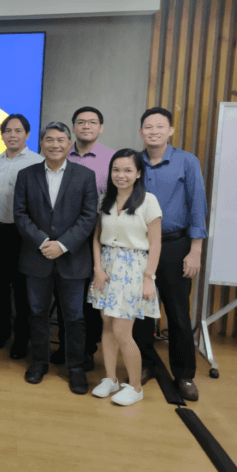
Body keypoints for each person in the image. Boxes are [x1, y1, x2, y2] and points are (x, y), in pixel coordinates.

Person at [13, 121, 98, 395]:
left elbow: (88, 217)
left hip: (72, 259)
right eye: (49, 140)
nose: (55, 145)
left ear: (69, 144)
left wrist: (62, 244)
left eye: (61, 140)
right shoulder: (26, 175)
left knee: (74, 317)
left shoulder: (85, 176)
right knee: (36, 313)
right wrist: (42, 242)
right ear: (41, 144)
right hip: (36, 258)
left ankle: (75, 367)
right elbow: (20, 215)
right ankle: (39, 362)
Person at [133, 107, 207, 401]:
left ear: (171, 131)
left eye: (159, 126)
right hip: (140, 247)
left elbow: (198, 205)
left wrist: (196, 250)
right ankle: (145, 365)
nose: (153, 131)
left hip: (176, 246)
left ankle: (184, 375)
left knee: (177, 312)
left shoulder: (186, 162)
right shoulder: (133, 161)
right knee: (142, 312)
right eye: (148, 127)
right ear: (140, 132)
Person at [87, 149, 162, 406]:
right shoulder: (104, 199)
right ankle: (110, 379)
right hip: (106, 265)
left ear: (139, 173)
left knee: (122, 329)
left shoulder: (148, 201)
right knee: (106, 323)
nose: (121, 175)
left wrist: (149, 277)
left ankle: (136, 386)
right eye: (116, 170)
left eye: (128, 170)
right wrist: (97, 267)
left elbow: (156, 243)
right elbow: (96, 238)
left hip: (134, 268)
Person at [52, 106, 116, 369]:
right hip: (62, 238)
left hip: (97, 236)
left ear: (100, 127)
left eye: (92, 122)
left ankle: (86, 350)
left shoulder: (112, 159)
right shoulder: (59, 154)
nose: (86, 126)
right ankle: (66, 346)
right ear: (73, 128)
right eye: (80, 122)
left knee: (89, 298)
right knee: (64, 293)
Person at [0, 114, 44, 359]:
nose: (12, 135)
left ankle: (22, 339)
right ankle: (1, 332)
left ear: (27, 135)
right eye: (8, 131)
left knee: (23, 290)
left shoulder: (38, 161)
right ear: (2, 134)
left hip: (24, 234)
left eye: (18, 131)